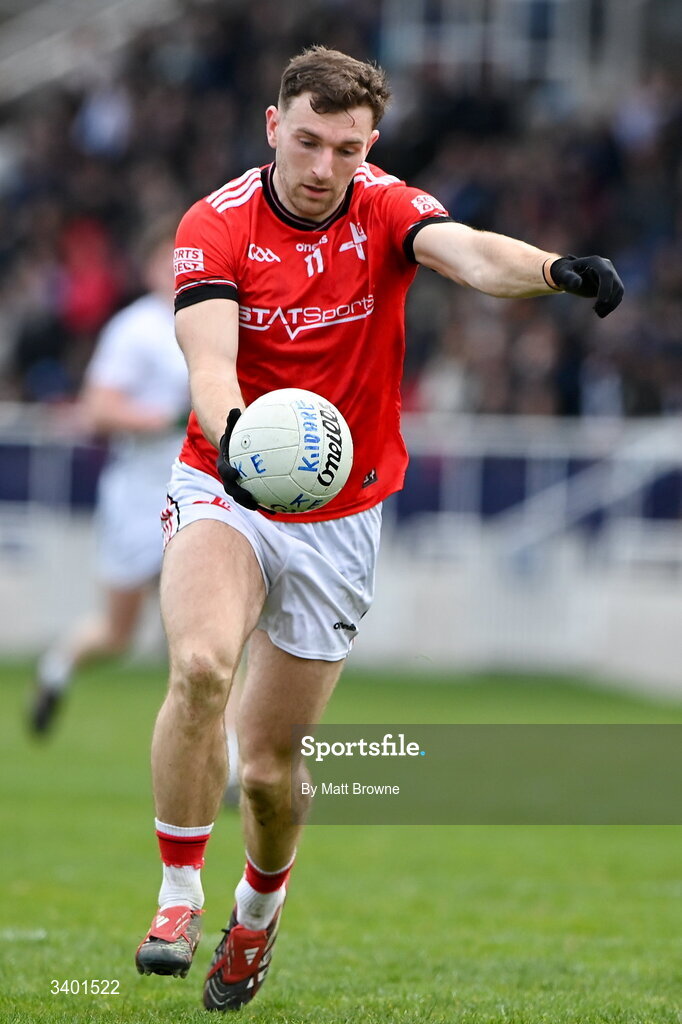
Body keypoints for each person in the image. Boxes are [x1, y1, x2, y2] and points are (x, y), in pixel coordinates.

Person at [134, 46, 624, 1012]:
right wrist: (236, 439)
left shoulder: (386, 207)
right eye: (308, 141)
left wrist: (555, 270)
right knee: (198, 667)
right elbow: (208, 358)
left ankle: (257, 916)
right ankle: (177, 894)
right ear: (274, 126)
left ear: (371, 147)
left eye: (346, 149)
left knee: (273, 773)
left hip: (343, 516)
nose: (323, 168)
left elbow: (471, 252)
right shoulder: (215, 224)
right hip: (227, 482)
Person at [29, 218, 190, 735]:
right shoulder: (136, 329)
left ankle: (229, 759)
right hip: (140, 496)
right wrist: (168, 419)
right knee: (117, 634)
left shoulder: (213, 320)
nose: (176, 271)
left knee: (202, 633)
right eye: (166, 260)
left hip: (197, 492)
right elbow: (97, 409)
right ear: (147, 269)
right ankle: (55, 672)